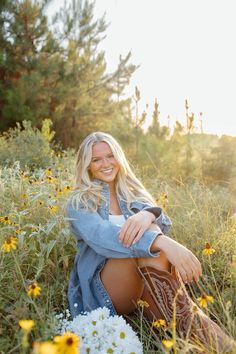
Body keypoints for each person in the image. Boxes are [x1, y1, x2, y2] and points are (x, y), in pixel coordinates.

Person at [66, 132, 234, 353]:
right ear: (87, 164)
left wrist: (148, 214)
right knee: (147, 240)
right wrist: (163, 242)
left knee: (180, 313)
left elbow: (163, 221)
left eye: (110, 156)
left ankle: (209, 341)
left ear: (119, 157)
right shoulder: (79, 201)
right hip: (107, 287)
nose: (106, 164)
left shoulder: (131, 192)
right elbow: (101, 237)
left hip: (143, 286)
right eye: (96, 159)